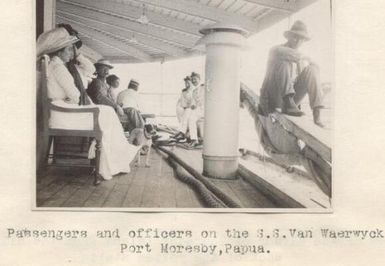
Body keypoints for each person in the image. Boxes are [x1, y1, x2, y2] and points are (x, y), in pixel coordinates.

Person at [37, 27, 140, 184]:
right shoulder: (59, 68)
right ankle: (111, 162)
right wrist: (70, 101)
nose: (71, 53)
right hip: (63, 115)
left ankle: (113, 159)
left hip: (61, 111)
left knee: (107, 113)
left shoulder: (55, 65)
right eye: (68, 50)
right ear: (59, 52)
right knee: (106, 113)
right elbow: (75, 95)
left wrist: (69, 100)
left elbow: (75, 91)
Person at [258, 20, 324, 127]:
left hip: (292, 103)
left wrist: (313, 66)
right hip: (273, 98)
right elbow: (288, 53)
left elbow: (315, 70)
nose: (298, 41)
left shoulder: (301, 62)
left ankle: (317, 115)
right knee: (283, 62)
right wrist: (308, 58)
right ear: (288, 37)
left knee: (312, 70)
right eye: (295, 37)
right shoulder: (275, 50)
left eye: (301, 39)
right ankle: (288, 102)